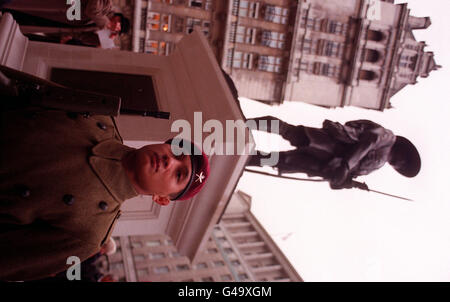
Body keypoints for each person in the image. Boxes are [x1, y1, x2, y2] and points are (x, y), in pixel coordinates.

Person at [0, 65, 210, 281]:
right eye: (177, 151)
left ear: (162, 199)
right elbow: (18, 87)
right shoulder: (99, 115)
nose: (170, 161)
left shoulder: (89, 234)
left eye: (179, 174)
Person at [247, 116, 421, 189]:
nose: (399, 166)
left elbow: (337, 180)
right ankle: (246, 124)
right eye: (405, 163)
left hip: (322, 164)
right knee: (289, 131)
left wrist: (347, 182)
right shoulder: (388, 138)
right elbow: (369, 141)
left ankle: (245, 158)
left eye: (402, 168)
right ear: (403, 153)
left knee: (280, 161)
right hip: (330, 145)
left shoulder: (377, 167)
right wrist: (346, 165)